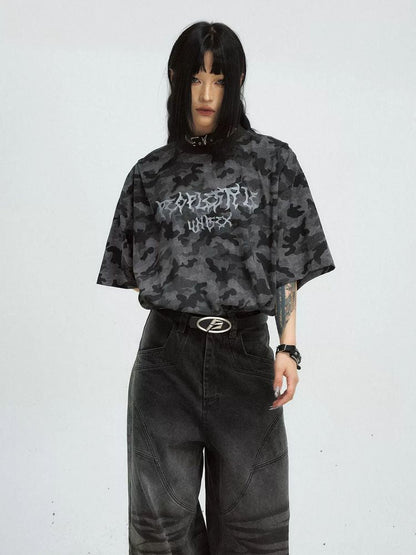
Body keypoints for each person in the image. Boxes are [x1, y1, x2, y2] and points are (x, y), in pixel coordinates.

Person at [96, 21, 335, 555]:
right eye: (196, 78)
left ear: (237, 83)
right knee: (161, 532)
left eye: (219, 79)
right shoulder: (149, 175)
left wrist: (288, 346)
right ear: (175, 79)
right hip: (166, 362)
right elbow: (134, 272)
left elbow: (286, 264)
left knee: (255, 531)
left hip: (246, 358)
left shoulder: (272, 163)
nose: (206, 93)